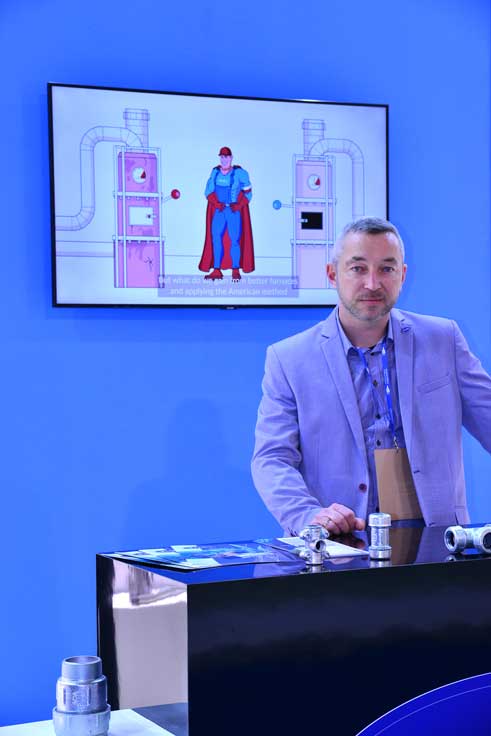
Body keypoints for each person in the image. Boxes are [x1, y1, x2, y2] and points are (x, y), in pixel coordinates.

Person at [251, 217, 491, 536]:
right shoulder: (289, 359)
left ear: (402, 275)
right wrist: (308, 515)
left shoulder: (443, 339)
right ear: (332, 274)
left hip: (436, 542)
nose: (373, 283)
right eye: (358, 268)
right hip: (339, 543)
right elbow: (272, 459)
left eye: (387, 268)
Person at [199, 147, 255, 282]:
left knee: (234, 239)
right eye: (222, 157)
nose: (224, 159)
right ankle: (216, 269)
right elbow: (208, 191)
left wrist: (239, 206)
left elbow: (248, 193)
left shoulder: (240, 173)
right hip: (219, 211)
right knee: (216, 238)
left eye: (227, 157)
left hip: (233, 211)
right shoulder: (215, 172)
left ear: (231, 158)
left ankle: (235, 269)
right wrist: (216, 204)